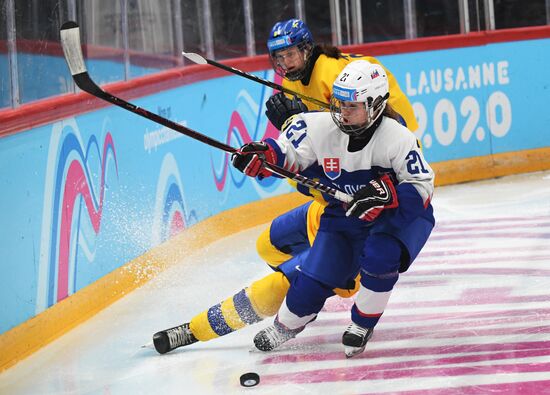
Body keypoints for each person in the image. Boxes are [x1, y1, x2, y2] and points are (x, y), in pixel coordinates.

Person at [151, 20, 421, 355]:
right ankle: (319, 280)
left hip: (365, 217)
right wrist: (271, 154)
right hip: (332, 211)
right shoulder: (319, 98)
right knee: (269, 245)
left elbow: (388, 158)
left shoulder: (342, 88)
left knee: (281, 283)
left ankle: (199, 329)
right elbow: (301, 155)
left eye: (290, 53)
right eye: (278, 57)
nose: (284, 63)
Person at [237, 60, 435, 357]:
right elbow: (288, 153)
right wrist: (265, 157)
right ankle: (287, 324)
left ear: (377, 104)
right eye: (339, 103)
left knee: (381, 256)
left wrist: (388, 195)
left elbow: (421, 185)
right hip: (346, 214)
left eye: (352, 106)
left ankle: (362, 323)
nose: (342, 112)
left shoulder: (397, 138)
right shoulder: (318, 126)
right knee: (316, 275)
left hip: (396, 218)